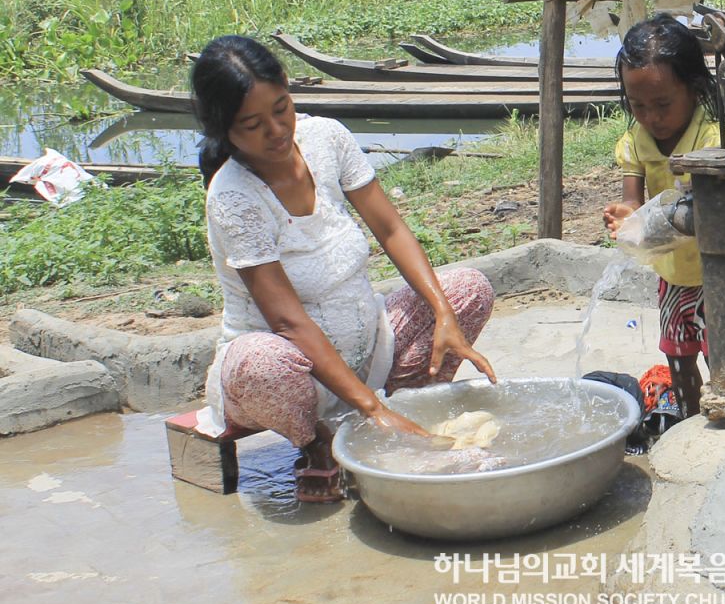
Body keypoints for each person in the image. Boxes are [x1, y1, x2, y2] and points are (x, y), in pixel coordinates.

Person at [190, 35, 497, 503]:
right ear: (224, 129)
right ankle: (317, 442)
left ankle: (407, 408)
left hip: (369, 347)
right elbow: (287, 321)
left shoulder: (326, 138)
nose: (276, 131)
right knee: (264, 363)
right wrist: (373, 408)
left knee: (467, 290)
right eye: (253, 124)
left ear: (290, 90)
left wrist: (443, 315)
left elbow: (390, 227)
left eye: (281, 108)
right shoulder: (234, 196)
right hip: (286, 374)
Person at [602, 14, 721, 420]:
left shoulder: (712, 138)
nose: (651, 116)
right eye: (638, 106)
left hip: (718, 275)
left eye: (663, 104)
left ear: (694, 88)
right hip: (672, 276)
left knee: (723, 359)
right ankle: (690, 423)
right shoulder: (637, 141)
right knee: (677, 358)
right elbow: (632, 203)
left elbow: (710, 208)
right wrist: (625, 217)